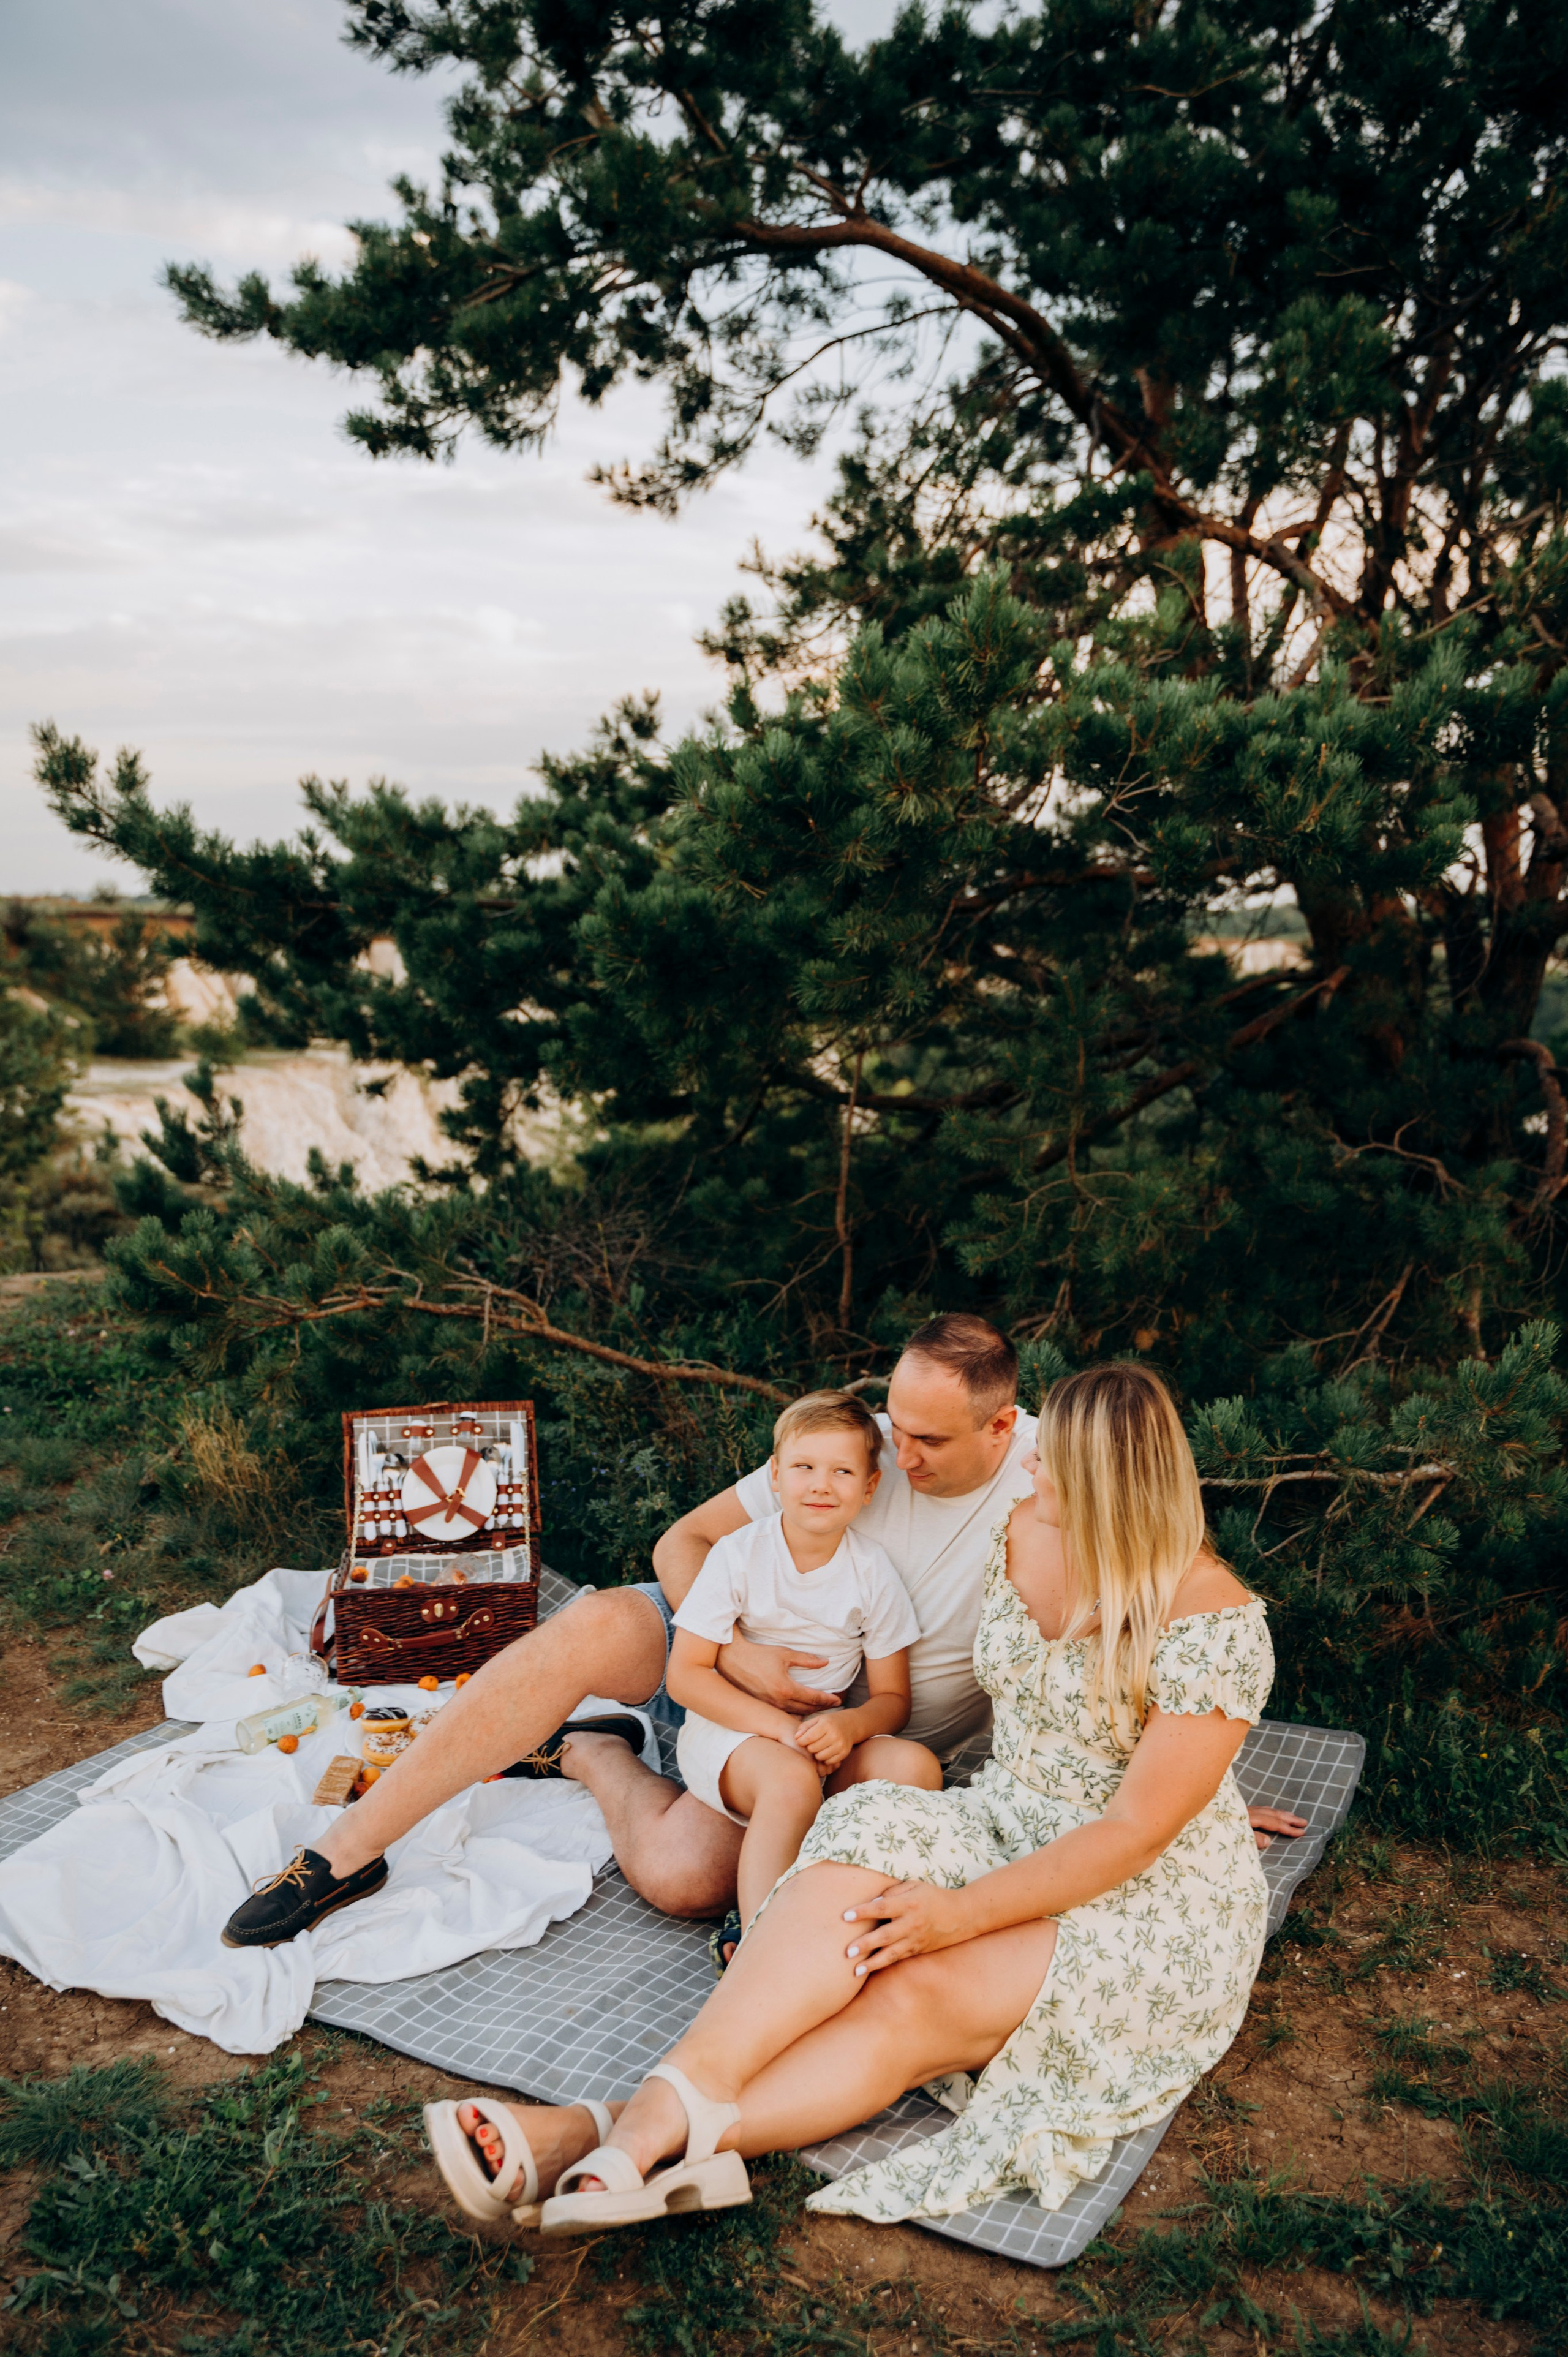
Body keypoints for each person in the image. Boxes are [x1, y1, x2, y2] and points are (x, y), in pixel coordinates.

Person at [427, 1362, 1282, 2236]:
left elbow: (1135, 1829)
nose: (1030, 1467)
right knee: (856, 1846)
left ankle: (601, 2135)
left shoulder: (1212, 1619)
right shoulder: (1027, 1524)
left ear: (1106, 1482)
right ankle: (647, 2129)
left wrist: (963, 1912)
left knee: (914, 1991)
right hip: (1006, 1817)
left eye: (1049, 1457)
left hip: (1139, 1897)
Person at [221, 1314, 1302, 1950]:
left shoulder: (1055, 1493)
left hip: (850, 1734)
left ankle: (597, 1750)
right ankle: (343, 1854)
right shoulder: (857, 1447)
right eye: (892, 1421)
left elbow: (1166, 1621)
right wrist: (730, 1653)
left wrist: (1193, 1786)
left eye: (926, 1438)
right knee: (595, 1617)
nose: (898, 1455)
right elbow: (681, 1542)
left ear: (1005, 1427)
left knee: (690, 1877)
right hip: (727, 1668)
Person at [669, 1389, 927, 1950]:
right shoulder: (738, 1555)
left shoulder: (872, 1572)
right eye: (805, 1467)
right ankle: (761, 1941)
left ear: (869, 1487)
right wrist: (784, 1732)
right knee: (788, 1779)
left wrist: (850, 1728)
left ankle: (851, 1908)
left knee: (916, 1768)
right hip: (737, 1734)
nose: (821, 1484)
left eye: (841, 1471)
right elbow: (686, 1677)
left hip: (821, 1742)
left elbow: (893, 1700)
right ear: (776, 1476)